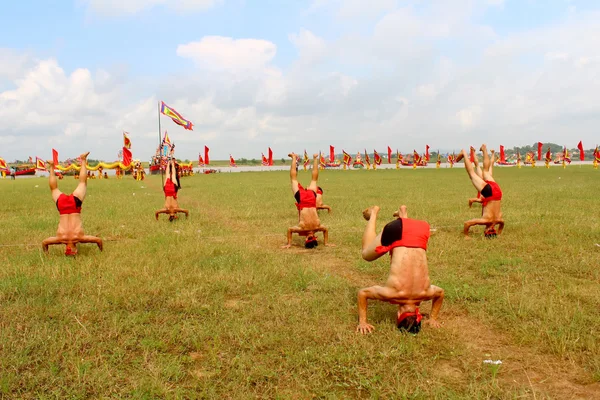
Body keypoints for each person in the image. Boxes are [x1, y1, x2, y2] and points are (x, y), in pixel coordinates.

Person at [356, 205, 444, 334]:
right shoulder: (392, 294)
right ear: (398, 315)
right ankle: (373, 213)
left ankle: (403, 213)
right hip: (396, 231)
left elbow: (440, 293)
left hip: (422, 229)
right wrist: (362, 322)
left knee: (405, 243)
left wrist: (433, 318)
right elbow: (362, 293)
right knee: (366, 254)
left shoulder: (427, 293)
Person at [42, 152, 103, 255]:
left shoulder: (80, 238)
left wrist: (101, 250)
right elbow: (44, 242)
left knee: (82, 183)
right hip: (62, 208)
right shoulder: (60, 239)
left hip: (75, 206)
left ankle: (83, 159)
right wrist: (46, 252)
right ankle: (52, 166)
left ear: (76, 249)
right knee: (54, 189)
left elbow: (99, 240)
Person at [282, 153, 333, 249]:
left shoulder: (314, 227)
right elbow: (289, 230)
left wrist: (289, 243)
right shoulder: (306, 228)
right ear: (312, 238)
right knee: (299, 179)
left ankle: (310, 158)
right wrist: (326, 243)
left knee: (310, 180)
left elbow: (325, 230)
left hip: (308, 201)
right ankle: (301, 158)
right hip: (307, 201)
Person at [456, 145, 504, 238]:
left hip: (498, 193)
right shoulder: (486, 221)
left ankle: (484, 150)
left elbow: (502, 224)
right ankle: (464, 153)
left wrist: (499, 232)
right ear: (487, 230)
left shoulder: (499, 220)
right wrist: (466, 236)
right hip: (490, 194)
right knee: (472, 174)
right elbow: (467, 223)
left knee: (486, 171)